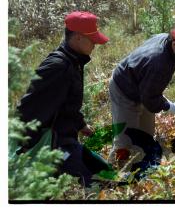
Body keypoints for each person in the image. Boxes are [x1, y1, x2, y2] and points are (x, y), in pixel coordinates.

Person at [17, 11, 111, 187]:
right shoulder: (58, 66)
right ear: (77, 38)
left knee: (105, 172)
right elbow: (28, 107)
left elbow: (66, 104)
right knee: (99, 178)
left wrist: (81, 124)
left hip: (66, 139)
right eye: (92, 40)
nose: (95, 44)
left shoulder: (74, 62)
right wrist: (24, 147)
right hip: (53, 145)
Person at [108, 22, 175, 178]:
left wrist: (157, 96)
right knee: (125, 138)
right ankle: (116, 173)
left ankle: (142, 164)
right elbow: (149, 100)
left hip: (142, 85)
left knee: (146, 134)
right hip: (124, 89)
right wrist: (166, 105)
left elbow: (149, 93)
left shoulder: (165, 41)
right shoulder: (159, 63)